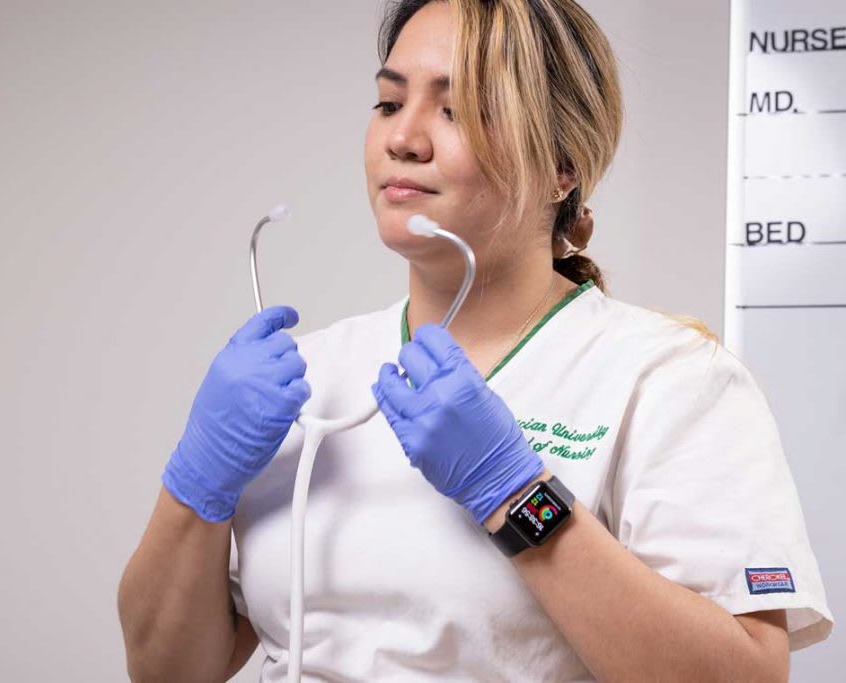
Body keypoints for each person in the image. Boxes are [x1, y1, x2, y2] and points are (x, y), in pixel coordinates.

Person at [117, 1, 834, 681]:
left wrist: (517, 495)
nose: (404, 137)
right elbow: (165, 668)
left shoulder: (668, 378)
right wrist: (195, 483)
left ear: (562, 168)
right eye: (390, 103)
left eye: (457, 110)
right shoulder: (308, 378)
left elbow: (745, 671)